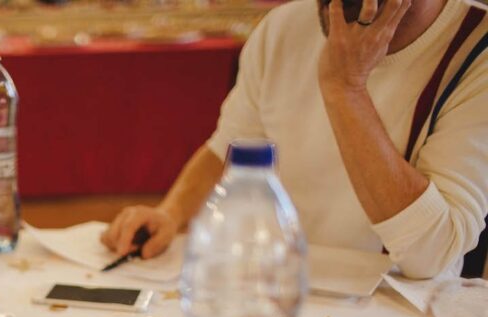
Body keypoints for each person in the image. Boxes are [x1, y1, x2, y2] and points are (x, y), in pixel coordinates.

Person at [104, 0, 488, 279]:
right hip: (285, 288)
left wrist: (346, 89)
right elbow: (230, 147)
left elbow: (433, 253)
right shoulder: (284, 26)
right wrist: (170, 213)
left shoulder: (474, 50)